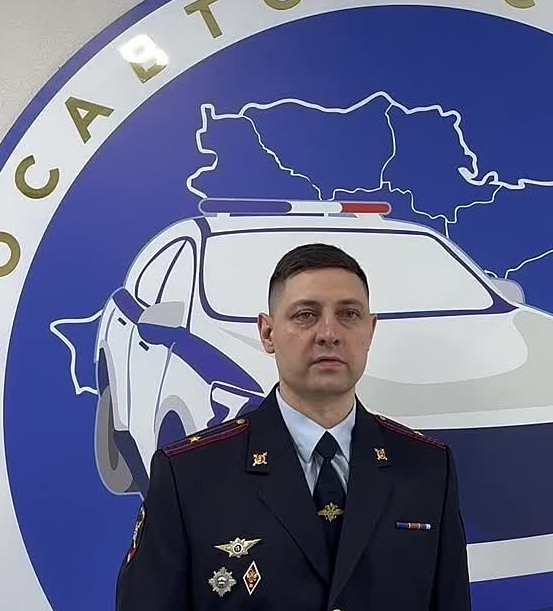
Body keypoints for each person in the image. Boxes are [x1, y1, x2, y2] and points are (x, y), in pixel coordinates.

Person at [116, 243, 471, 610]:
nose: (329, 333)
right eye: (306, 315)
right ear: (268, 333)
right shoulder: (189, 474)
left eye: (349, 314)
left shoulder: (429, 467)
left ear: (370, 331)